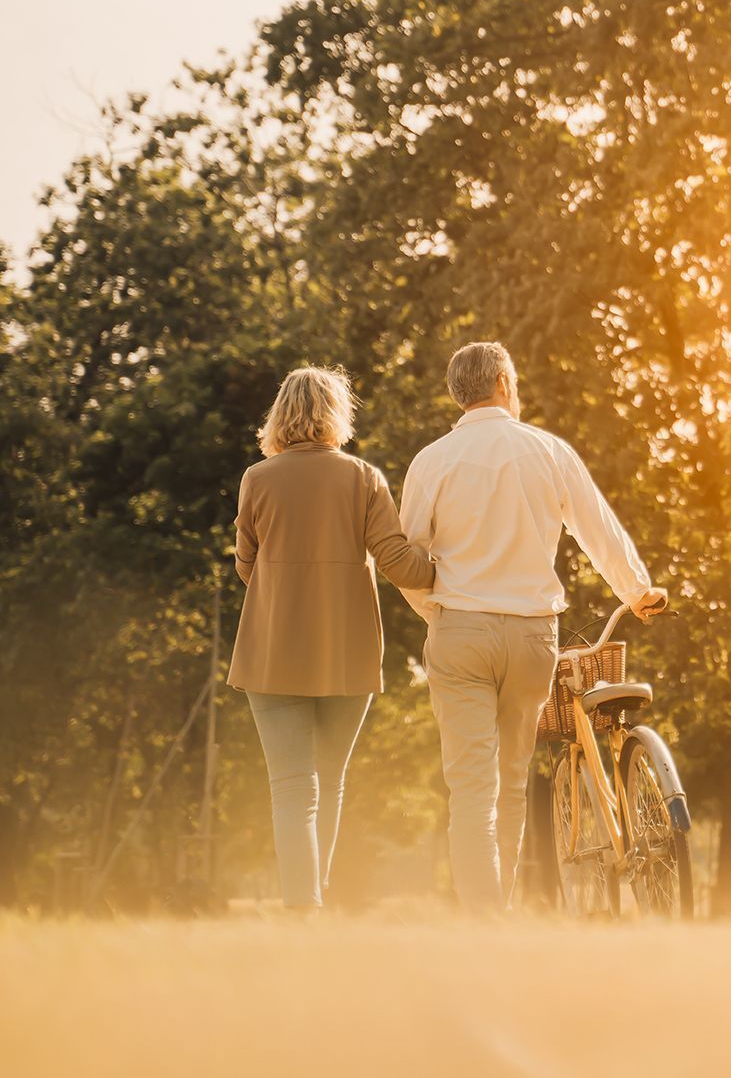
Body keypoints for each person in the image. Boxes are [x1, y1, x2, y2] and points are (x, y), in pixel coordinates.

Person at [400, 342, 665, 911]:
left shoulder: (431, 461)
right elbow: (598, 527)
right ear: (502, 383)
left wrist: (439, 613)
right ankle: (504, 906)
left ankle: (484, 918)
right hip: (531, 637)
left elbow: (409, 561)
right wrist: (636, 592)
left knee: (471, 788)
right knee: (512, 782)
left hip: (459, 633)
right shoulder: (547, 450)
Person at [228, 366, 434, 911]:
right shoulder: (364, 477)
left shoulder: (257, 478)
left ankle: (304, 908)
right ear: (336, 415)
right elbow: (399, 563)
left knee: (292, 788)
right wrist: (457, 568)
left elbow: (246, 568)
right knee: (330, 782)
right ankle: (313, 899)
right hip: (346, 652)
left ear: (280, 414)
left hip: (271, 652)